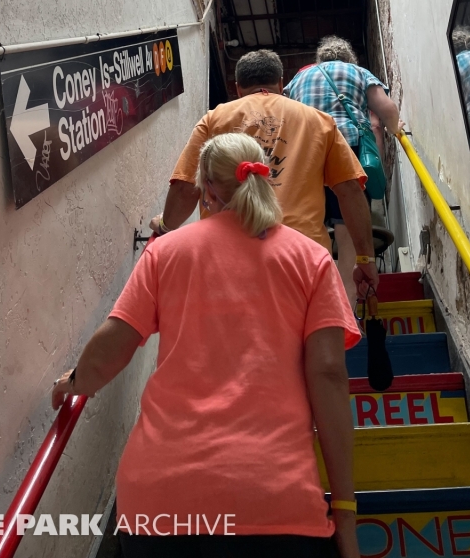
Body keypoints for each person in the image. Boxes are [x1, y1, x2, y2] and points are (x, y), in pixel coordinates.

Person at [52, 134, 362, 558]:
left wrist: (74, 380)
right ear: (265, 180)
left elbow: (112, 348)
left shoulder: (165, 252)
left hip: (160, 502)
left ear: (207, 190)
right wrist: (344, 512)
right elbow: (328, 374)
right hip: (274, 498)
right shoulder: (310, 259)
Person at [150, 49, 379, 298]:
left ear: (238, 88)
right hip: (302, 254)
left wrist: (165, 227)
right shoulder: (319, 121)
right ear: (281, 83)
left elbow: (186, 188)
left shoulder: (214, 119)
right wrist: (366, 258)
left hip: (228, 256)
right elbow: (349, 191)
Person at [283, 37, 403, 304]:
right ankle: (348, 309)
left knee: (309, 229)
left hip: (306, 155)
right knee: (349, 232)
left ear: (320, 59)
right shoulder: (359, 73)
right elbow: (386, 109)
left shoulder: (296, 82)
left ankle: (310, 304)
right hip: (347, 151)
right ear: (349, 58)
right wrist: (397, 129)